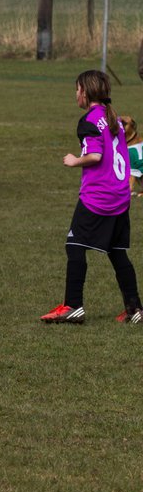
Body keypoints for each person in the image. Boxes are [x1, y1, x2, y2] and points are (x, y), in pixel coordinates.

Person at [41, 71, 143, 324]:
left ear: (84, 93)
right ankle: (135, 309)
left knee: (74, 246)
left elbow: (95, 156)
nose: (75, 94)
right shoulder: (114, 119)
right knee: (117, 252)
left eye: (76, 89)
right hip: (121, 195)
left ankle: (73, 306)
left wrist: (75, 160)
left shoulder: (89, 120)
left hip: (99, 196)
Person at [120, 115, 143, 197]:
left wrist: (129, 190)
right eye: (118, 123)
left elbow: (132, 172)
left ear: (132, 126)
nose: (120, 126)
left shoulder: (132, 149)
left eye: (124, 124)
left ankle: (129, 191)